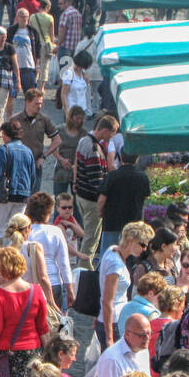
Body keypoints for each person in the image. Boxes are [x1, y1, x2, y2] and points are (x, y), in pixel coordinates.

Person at [0, 245, 50, 377]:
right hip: (32, 352)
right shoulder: (36, 290)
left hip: (6, 353)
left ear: (1, 268)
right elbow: (43, 327)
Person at [72, 114, 119, 267]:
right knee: (91, 237)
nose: (112, 137)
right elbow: (96, 180)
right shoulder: (94, 148)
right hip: (91, 199)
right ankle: (84, 269)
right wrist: (106, 195)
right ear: (105, 130)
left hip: (81, 194)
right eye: (112, 133)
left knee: (89, 233)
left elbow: (78, 166)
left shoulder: (83, 140)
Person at [0, 120, 34, 247]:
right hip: (22, 195)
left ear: (6, 134)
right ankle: (14, 256)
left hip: (5, 195)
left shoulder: (4, 150)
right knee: (17, 229)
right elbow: (32, 176)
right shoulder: (28, 151)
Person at [97, 222, 150, 349]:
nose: (145, 249)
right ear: (131, 241)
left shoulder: (113, 250)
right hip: (113, 322)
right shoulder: (115, 265)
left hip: (114, 319)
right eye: (143, 244)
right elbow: (107, 301)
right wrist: (109, 338)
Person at [97, 150, 151, 254]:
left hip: (112, 222)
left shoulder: (112, 176)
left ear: (121, 158)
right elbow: (146, 197)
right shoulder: (142, 177)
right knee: (131, 255)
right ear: (137, 159)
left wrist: (100, 211)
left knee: (109, 253)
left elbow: (102, 198)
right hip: (134, 223)